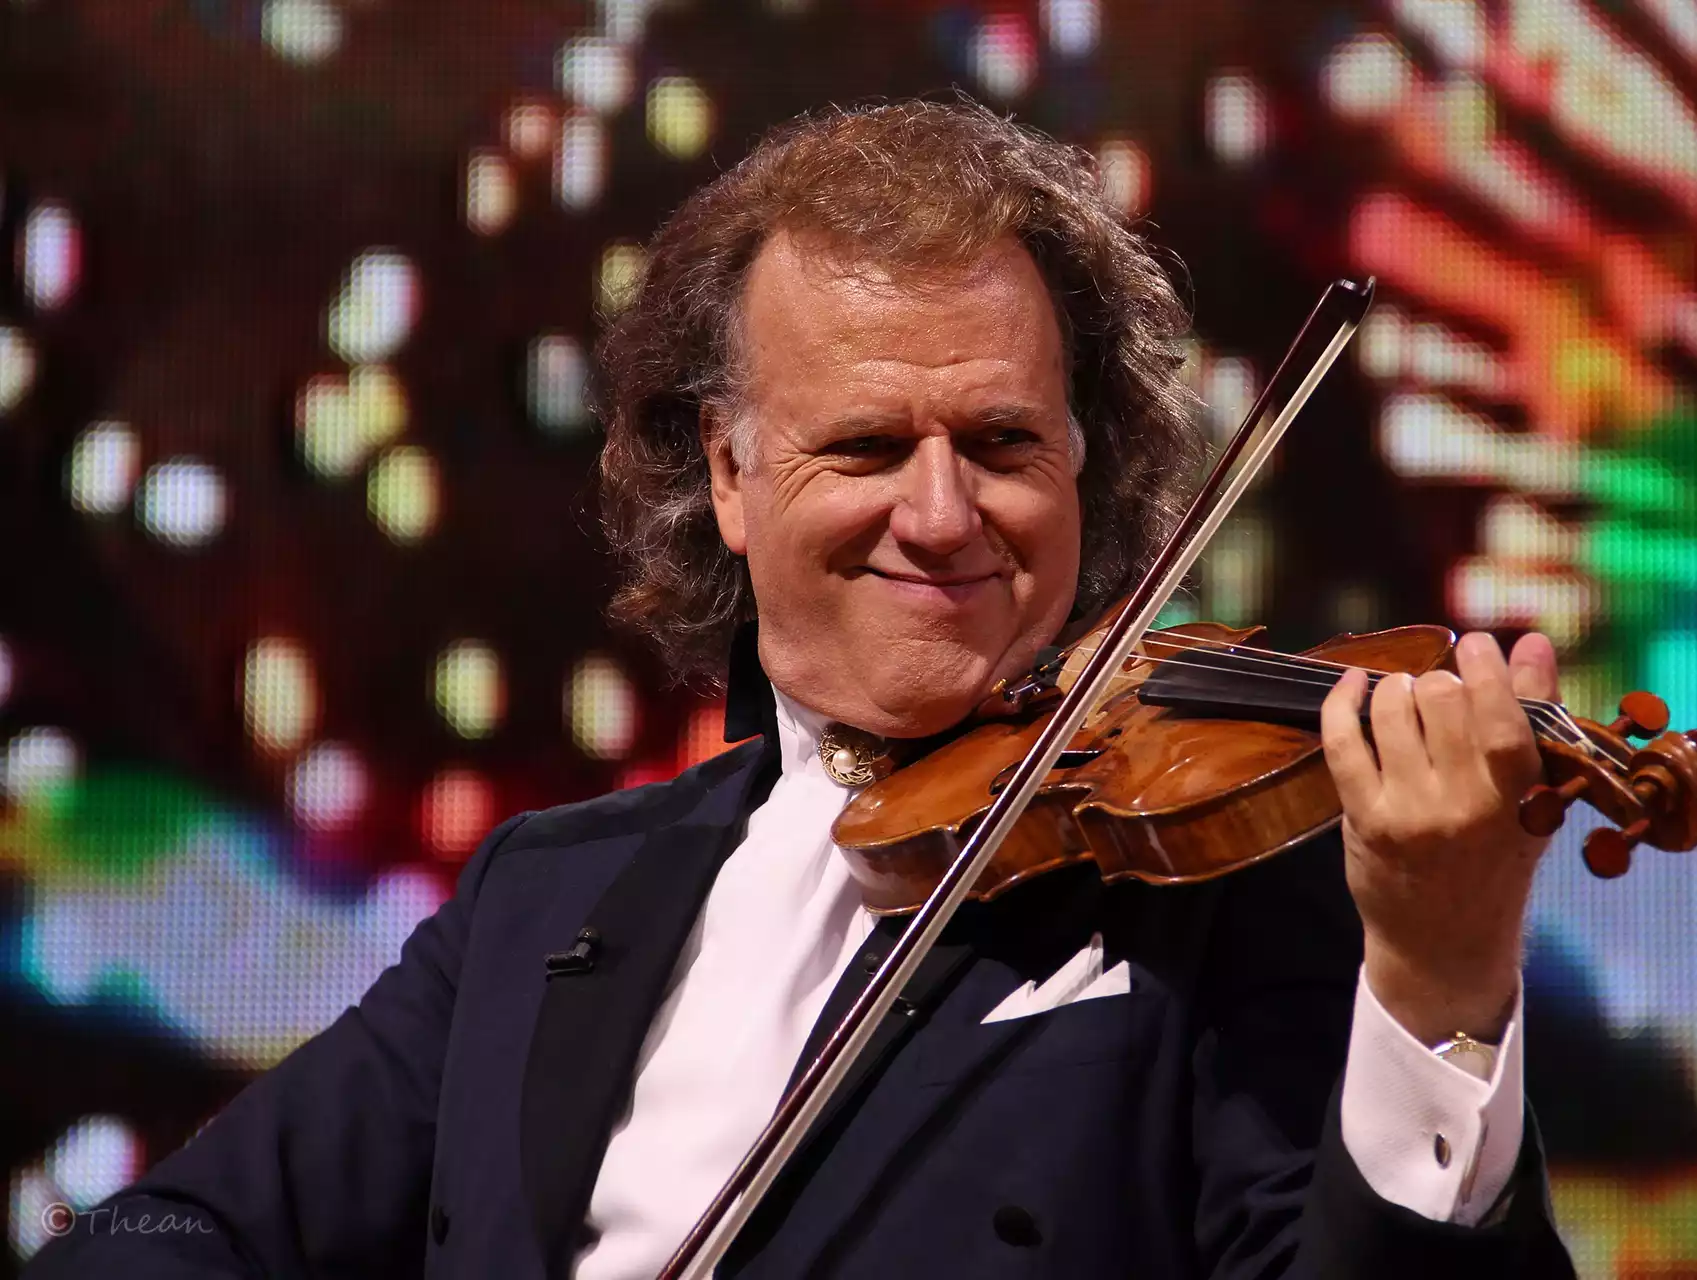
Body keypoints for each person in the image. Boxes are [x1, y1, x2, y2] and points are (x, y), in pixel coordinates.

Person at [27, 100, 1575, 1278]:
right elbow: (182, 1228)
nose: (944, 514)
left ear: (1083, 465)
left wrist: (1440, 988)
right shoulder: (546, 897)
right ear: (730, 474)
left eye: (1002, 443)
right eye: (868, 447)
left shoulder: (1228, 894)